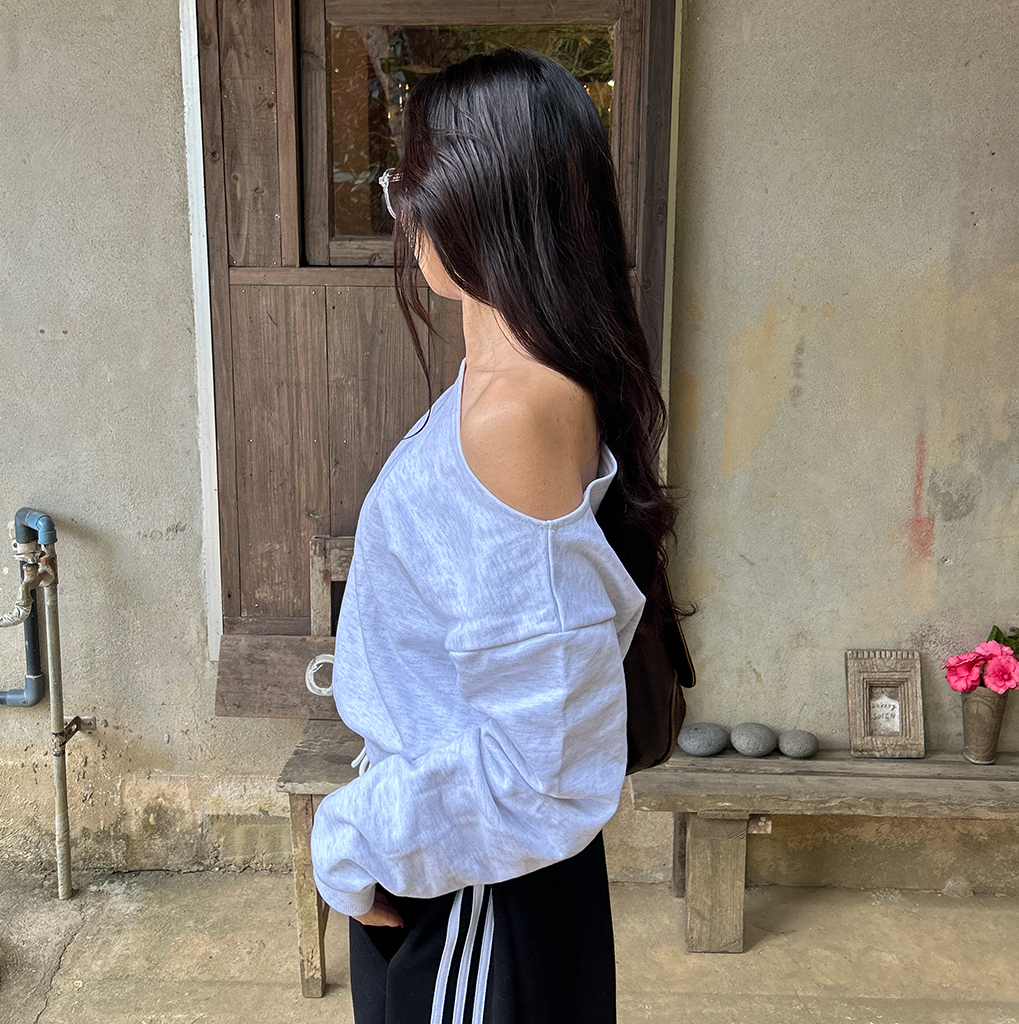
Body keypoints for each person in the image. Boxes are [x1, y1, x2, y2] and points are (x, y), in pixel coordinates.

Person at [309, 47, 678, 1024]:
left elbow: (541, 765)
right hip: (449, 857)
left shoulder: (517, 410)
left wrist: (353, 834)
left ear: (473, 196)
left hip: (473, 883)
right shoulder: (504, 374)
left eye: (406, 182)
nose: (401, 209)